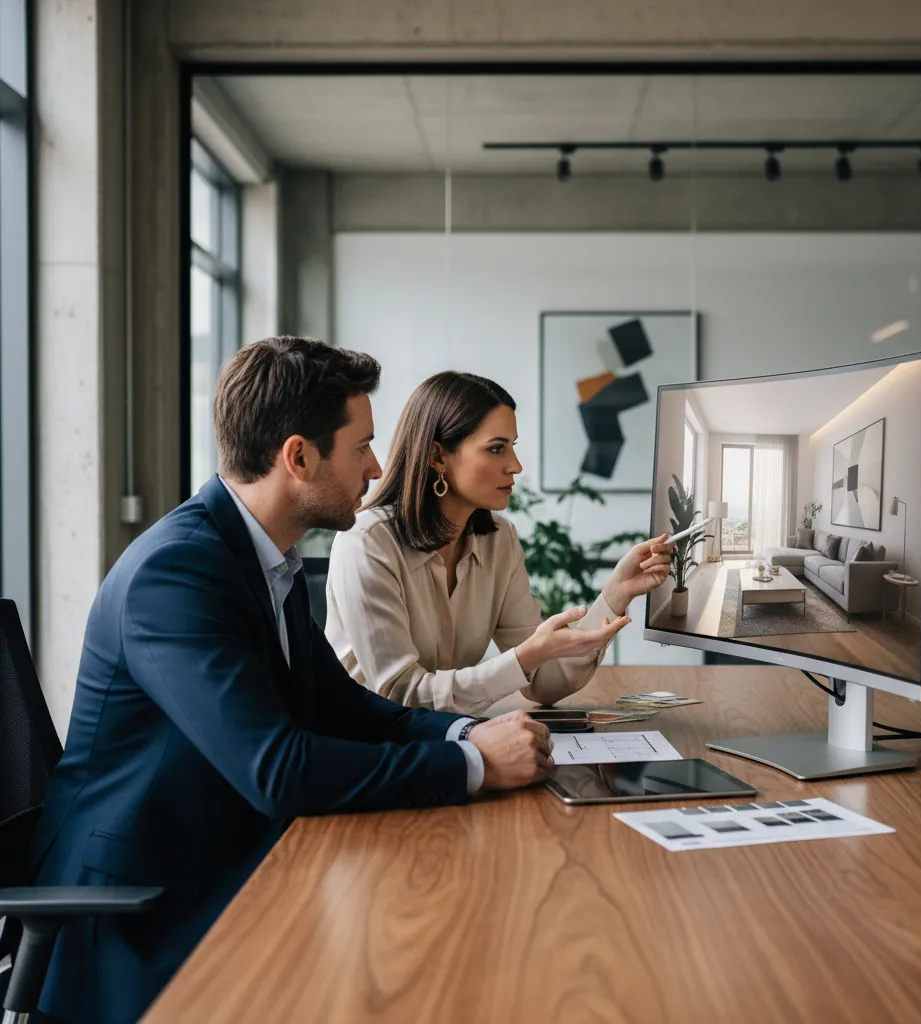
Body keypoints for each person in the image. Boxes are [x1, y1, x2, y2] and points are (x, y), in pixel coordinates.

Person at [28, 338, 551, 1024]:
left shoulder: (258, 560)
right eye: (361, 446)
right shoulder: (177, 574)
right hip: (141, 907)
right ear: (298, 457)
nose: (375, 467)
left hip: (228, 854)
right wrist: (472, 765)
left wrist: (469, 731)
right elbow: (277, 768)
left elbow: (348, 709)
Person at [325, 371, 672, 715]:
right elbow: (401, 696)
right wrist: (525, 657)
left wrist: (615, 594)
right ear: (438, 457)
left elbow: (547, 682)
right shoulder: (367, 542)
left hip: (446, 742)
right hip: (368, 751)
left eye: (512, 447)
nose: (516, 466)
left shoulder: (499, 540)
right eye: (496, 449)